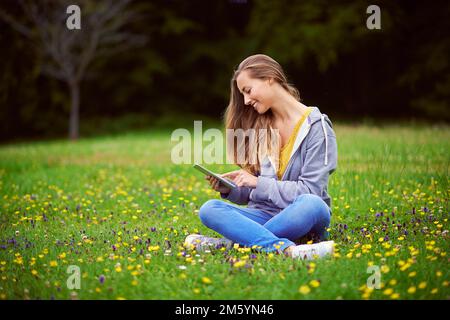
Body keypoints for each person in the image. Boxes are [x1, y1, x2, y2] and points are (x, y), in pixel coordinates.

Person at [185, 54, 338, 260]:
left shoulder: (317, 127)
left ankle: (232, 244)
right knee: (210, 209)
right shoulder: (261, 126)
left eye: (248, 91)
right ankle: (286, 249)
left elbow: (310, 190)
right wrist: (232, 190)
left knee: (311, 203)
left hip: (301, 214)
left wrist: (257, 182)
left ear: (269, 78)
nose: (246, 101)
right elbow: (252, 193)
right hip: (264, 214)